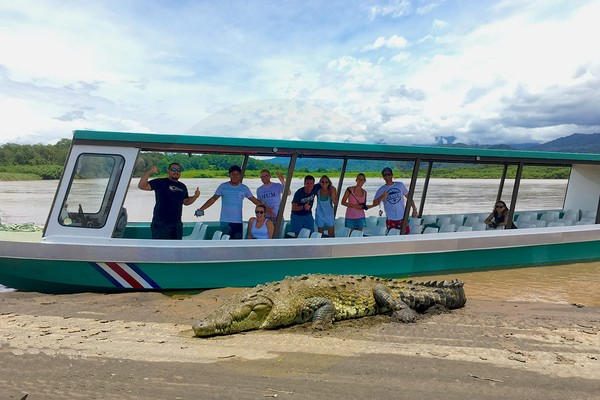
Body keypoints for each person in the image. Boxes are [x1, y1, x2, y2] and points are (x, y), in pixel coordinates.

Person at [195, 165, 263, 239]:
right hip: (225, 221)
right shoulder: (223, 186)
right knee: (225, 243)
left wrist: (266, 209)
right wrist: (201, 209)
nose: (235, 176)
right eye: (233, 174)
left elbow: (253, 200)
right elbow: (213, 199)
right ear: (229, 175)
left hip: (238, 222)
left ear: (240, 175)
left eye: (237, 174)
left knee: (236, 244)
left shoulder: (244, 188)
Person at [138, 163, 200, 240]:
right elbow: (142, 186)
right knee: (160, 249)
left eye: (178, 170)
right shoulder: (160, 182)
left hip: (177, 225)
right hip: (160, 224)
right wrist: (149, 172)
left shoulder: (182, 186)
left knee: (176, 250)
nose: (176, 172)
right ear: (168, 171)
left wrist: (195, 196)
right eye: (173, 169)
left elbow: (186, 202)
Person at [372, 167, 417, 234]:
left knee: (406, 237)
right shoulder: (382, 189)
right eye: (385, 175)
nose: (387, 176)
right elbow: (374, 203)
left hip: (403, 218)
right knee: (393, 238)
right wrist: (382, 196)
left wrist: (414, 209)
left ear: (392, 175)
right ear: (383, 177)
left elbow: (409, 197)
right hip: (391, 219)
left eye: (389, 174)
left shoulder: (400, 185)